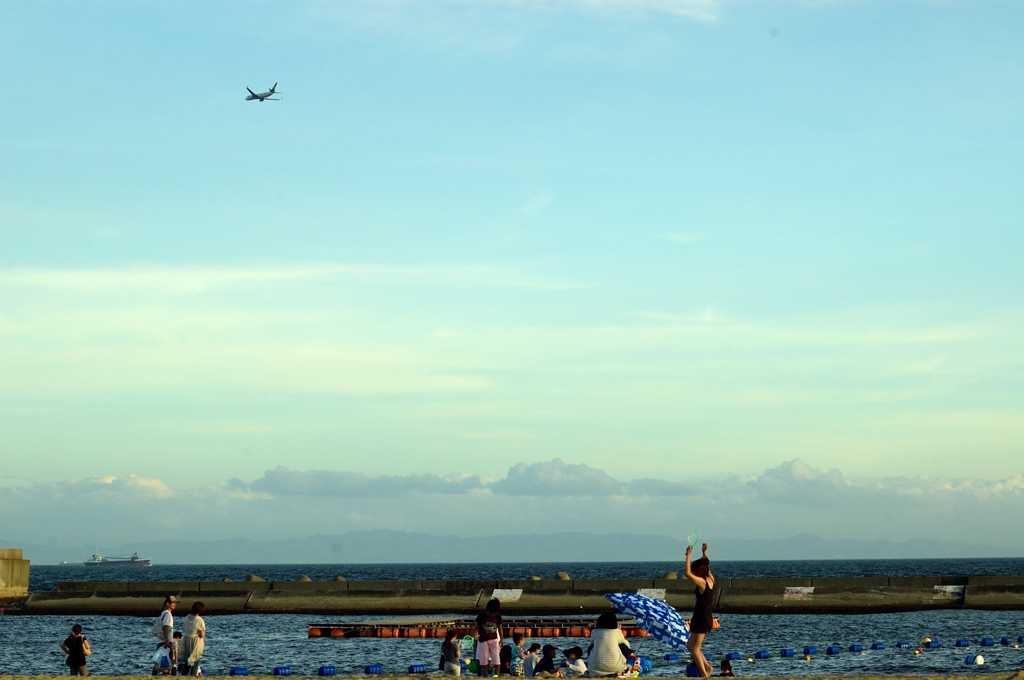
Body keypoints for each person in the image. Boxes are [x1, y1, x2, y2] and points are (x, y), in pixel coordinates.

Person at [684, 543, 715, 678]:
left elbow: (687, 573)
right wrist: (704, 553)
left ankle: (704, 673)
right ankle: (707, 667)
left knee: (695, 648)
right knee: (690, 646)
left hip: (702, 618)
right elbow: (706, 566)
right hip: (703, 617)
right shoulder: (710, 579)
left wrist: (688, 556)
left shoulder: (702, 583)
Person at [585, 613, 630, 677]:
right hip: (616, 667)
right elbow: (627, 645)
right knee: (622, 645)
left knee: (592, 646)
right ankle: (620, 671)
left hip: (595, 668)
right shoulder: (616, 632)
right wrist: (619, 630)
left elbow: (591, 646)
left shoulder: (594, 632)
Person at [475, 598, 504, 677]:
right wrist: (475, 635)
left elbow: (500, 629)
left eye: (494, 613)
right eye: (491, 613)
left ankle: (496, 675)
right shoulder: (481, 616)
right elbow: (477, 627)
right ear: (487, 609)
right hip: (483, 640)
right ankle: (486, 675)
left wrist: (501, 639)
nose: (492, 615)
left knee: (496, 658)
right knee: (484, 659)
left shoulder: (498, 617)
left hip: (494, 639)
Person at [152, 595, 179, 675]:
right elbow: (165, 627)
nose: (175, 604)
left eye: (175, 603)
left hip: (161, 641)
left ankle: (153, 676)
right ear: (167, 604)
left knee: (158, 663)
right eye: (173, 603)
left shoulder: (163, 613)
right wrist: (167, 641)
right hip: (166, 642)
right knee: (166, 665)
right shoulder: (168, 615)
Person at [180, 601, 206, 676]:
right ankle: (192, 676)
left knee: (188, 661)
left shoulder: (187, 617)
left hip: (187, 640)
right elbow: (201, 635)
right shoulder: (199, 620)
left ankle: (184, 676)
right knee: (195, 661)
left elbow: (184, 629)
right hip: (196, 642)